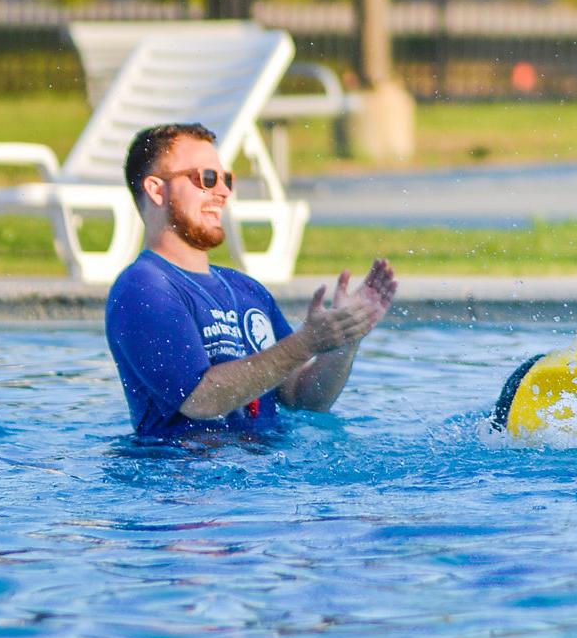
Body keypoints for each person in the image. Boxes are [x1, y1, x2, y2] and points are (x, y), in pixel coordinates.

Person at [104, 122, 395, 439]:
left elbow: (302, 398)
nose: (223, 191)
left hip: (263, 478)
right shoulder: (143, 288)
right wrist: (305, 342)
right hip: (184, 480)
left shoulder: (246, 290)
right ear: (156, 190)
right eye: (207, 178)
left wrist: (345, 338)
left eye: (226, 179)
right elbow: (200, 400)